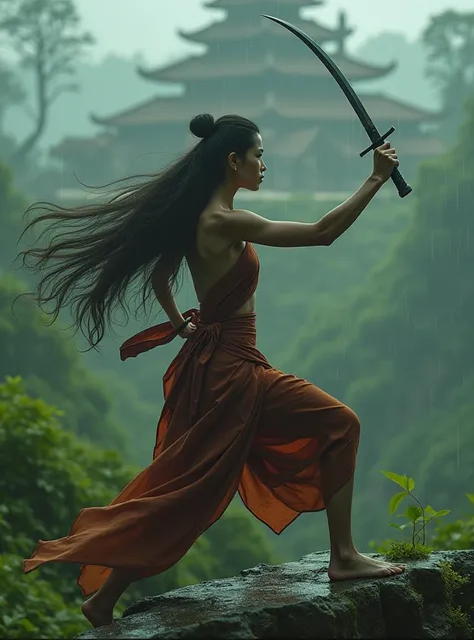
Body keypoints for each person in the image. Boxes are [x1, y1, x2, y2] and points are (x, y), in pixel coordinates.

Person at [19, 113, 405, 628]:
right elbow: (321, 233)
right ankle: (344, 557)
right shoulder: (223, 221)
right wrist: (376, 178)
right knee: (341, 423)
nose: (265, 165)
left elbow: (160, 276)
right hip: (234, 372)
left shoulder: (198, 217)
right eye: (259, 155)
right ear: (232, 161)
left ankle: (104, 597)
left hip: (219, 361)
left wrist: (183, 323)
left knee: (190, 487)